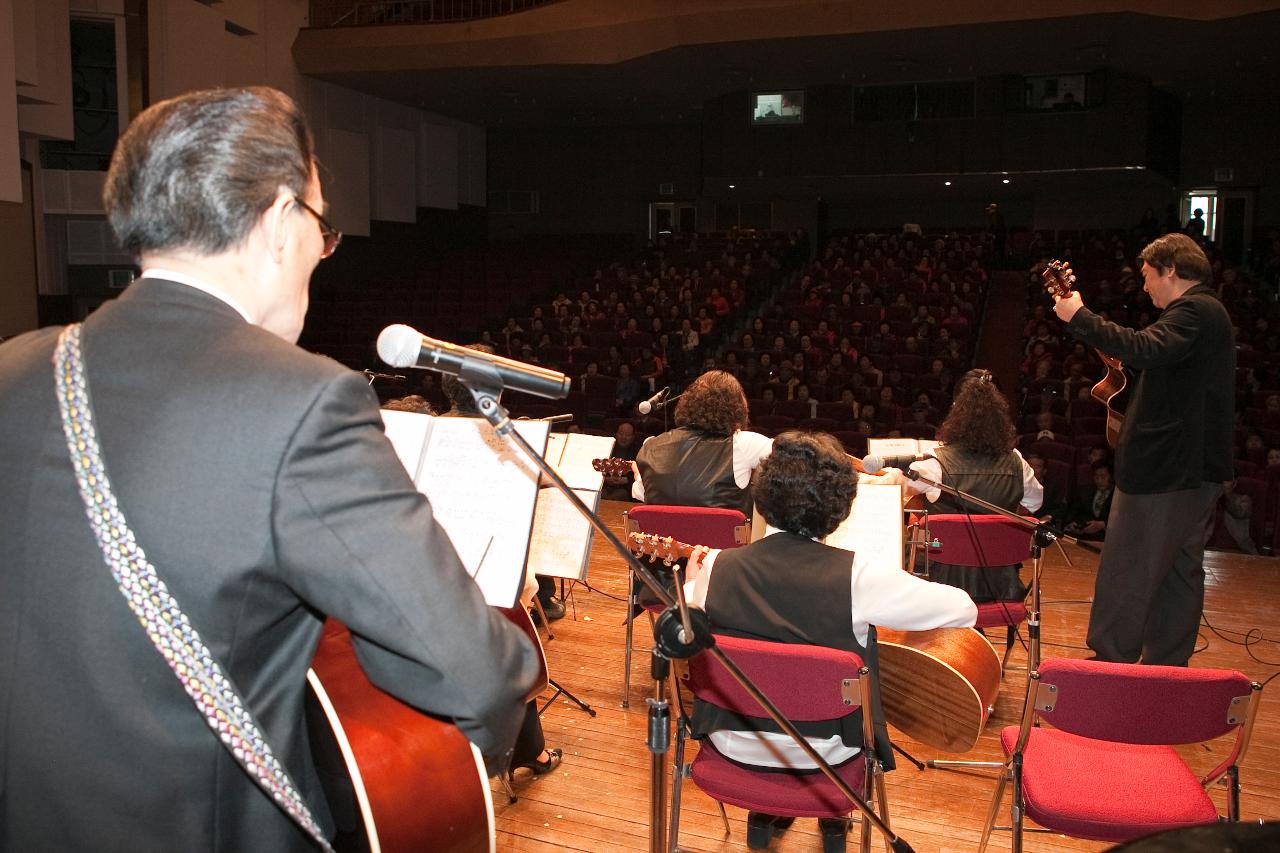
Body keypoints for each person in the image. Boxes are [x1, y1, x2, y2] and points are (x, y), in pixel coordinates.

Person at [0, 87, 540, 851]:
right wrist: (520, 665)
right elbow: (469, 675)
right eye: (323, 228)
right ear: (281, 219)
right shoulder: (303, 402)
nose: (321, 254)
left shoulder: (15, 367)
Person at [682, 431, 976, 850]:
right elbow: (964, 609)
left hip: (734, 743)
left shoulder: (715, 567)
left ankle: (763, 817)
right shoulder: (860, 577)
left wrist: (694, 586)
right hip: (827, 752)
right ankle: (834, 819)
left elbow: (692, 627)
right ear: (839, 507)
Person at [1052, 232, 1233, 665]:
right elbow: (1158, 364)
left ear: (1170, 269)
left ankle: (1110, 664)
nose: (1146, 285)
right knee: (1178, 573)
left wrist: (1079, 315)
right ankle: (1165, 669)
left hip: (1166, 470)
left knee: (1129, 569)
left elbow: (1145, 348)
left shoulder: (1194, 310)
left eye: (1148, 275)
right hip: (1192, 471)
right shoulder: (1208, 314)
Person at [437, 353, 563, 774]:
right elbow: (547, 479)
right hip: (488, 571)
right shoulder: (501, 437)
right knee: (508, 640)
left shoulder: (430, 429)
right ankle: (528, 751)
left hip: (434, 569)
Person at [901, 369, 1044, 602]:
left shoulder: (936, 462)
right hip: (998, 587)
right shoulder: (1017, 462)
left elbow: (899, 491)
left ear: (956, 410)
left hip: (941, 586)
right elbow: (1035, 503)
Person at [632, 370, 773, 514]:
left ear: (687, 404)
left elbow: (647, 496)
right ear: (737, 409)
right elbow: (792, 455)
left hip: (663, 535)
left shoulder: (649, 446)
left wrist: (638, 477)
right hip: (721, 536)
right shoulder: (744, 444)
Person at [601, 421, 639, 500]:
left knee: (619, 495)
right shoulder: (607, 448)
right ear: (616, 434)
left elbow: (640, 473)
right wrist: (605, 479)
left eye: (627, 435)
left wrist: (627, 480)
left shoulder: (637, 452)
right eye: (621, 434)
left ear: (632, 437)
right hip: (605, 485)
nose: (623, 437)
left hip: (625, 488)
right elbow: (599, 467)